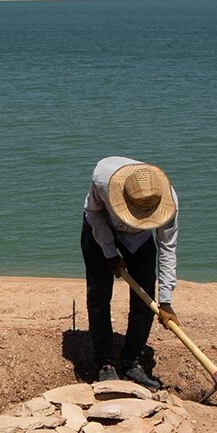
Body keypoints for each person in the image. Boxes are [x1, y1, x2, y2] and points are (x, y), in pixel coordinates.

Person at [81, 155, 179, 390]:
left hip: (139, 239)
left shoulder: (168, 202)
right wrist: (109, 253)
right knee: (100, 295)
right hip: (100, 229)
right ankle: (104, 362)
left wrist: (165, 301)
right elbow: (93, 212)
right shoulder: (103, 178)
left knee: (145, 299)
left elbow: (168, 247)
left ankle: (131, 361)